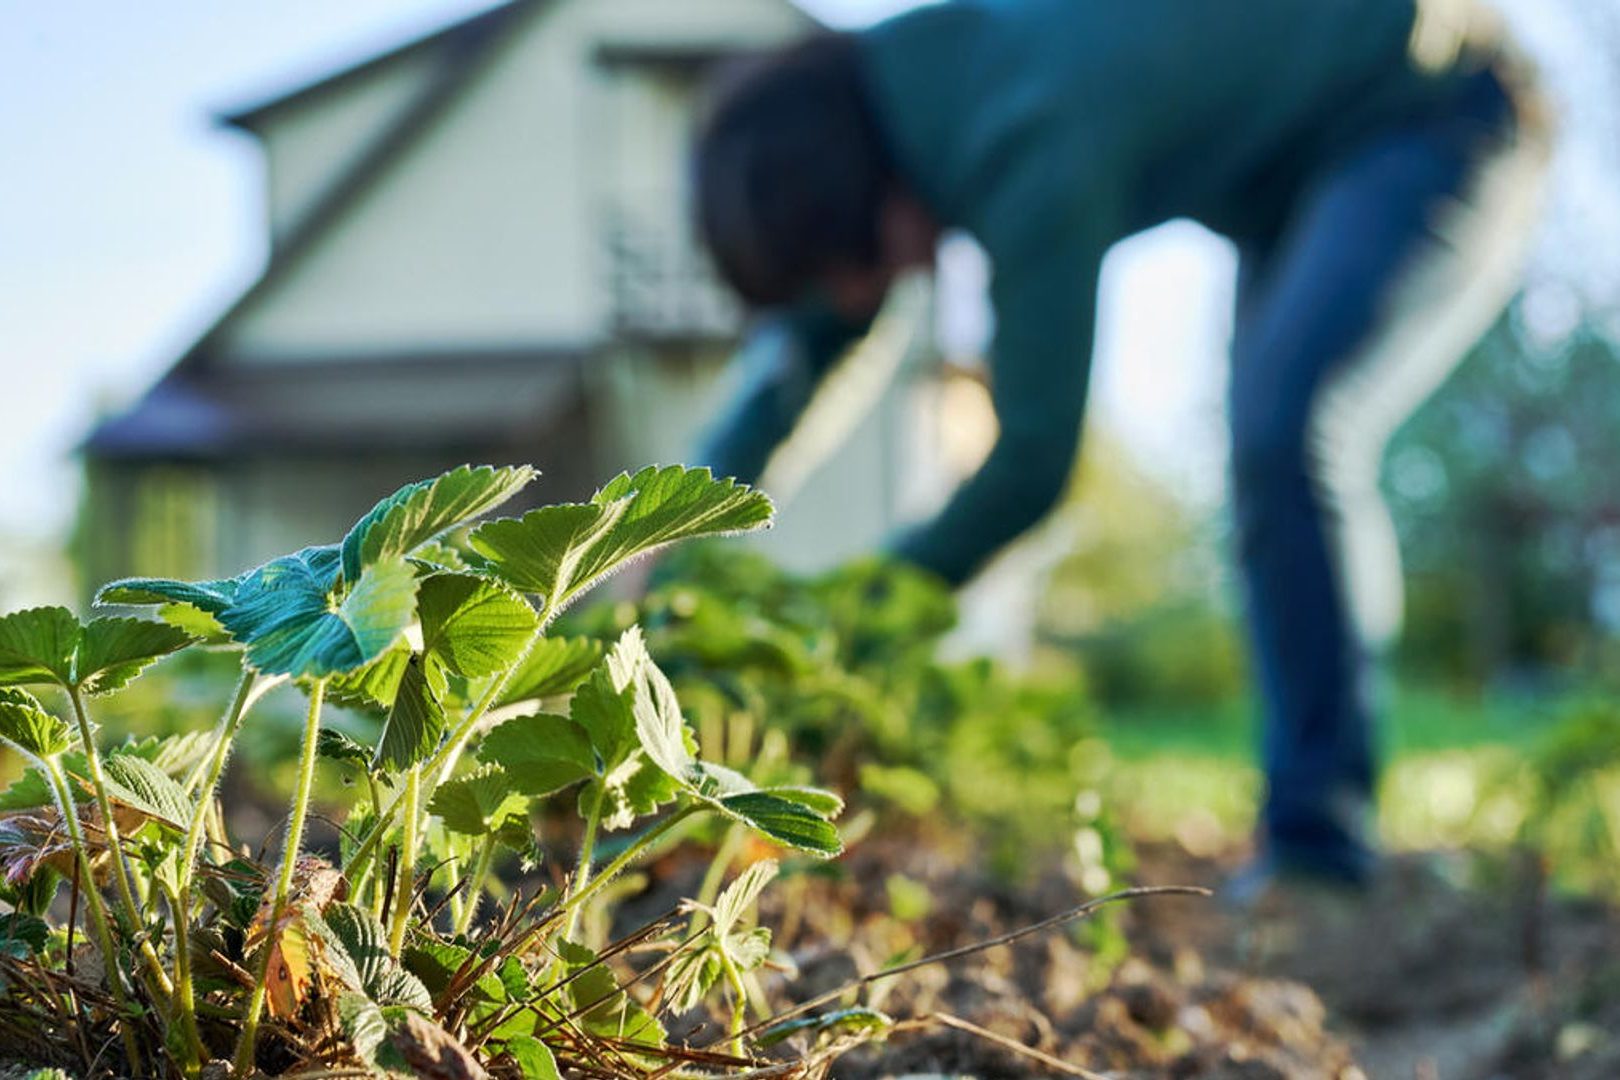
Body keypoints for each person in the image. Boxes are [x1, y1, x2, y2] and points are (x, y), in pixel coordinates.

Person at [689, 0, 1551, 890]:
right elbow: (800, 359)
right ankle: (1313, 829)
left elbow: (1029, 467)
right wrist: (651, 550)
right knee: (1270, 442)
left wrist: (832, 634)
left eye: (848, 272)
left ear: (864, 199)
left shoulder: (1022, 136)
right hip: (1295, 173)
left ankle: (1319, 845)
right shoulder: (898, 106)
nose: (872, 295)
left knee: (1287, 435)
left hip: (1433, 104)